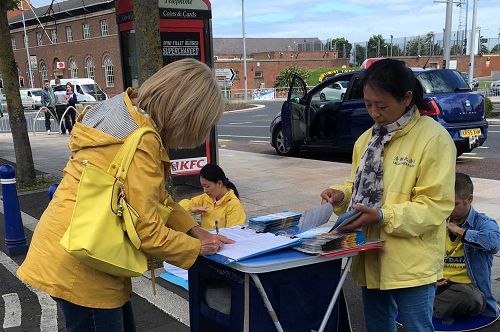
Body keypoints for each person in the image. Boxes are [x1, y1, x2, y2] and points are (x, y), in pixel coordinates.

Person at [17, 58, 233, 332]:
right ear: (186, 115)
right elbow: (147, 232)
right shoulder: (143, 141)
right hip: (84, 265)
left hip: (78, 246)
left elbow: (157, 198)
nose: (200, 135)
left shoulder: (126, 115)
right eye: (202, 125)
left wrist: (194, 230)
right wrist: (196, 248)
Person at [320, 59, 456, 332]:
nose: (374, 113)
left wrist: (383, 216)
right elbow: (356, 185)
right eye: (368, 104)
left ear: (407, 98)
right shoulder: (367, 140)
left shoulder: (433, 139)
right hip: (370, 254)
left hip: (411, 263)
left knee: (417, 327)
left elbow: (435, 206)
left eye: (381, 106)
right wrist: (341, 196)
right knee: (378, 327)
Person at [433, 172, 500, 322]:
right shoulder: (438, 220)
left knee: (472, 299)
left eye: (455, 204)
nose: (449, 209)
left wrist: (460, 231)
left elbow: (494, 243)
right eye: (446, 203)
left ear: (469, 199)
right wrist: (430, 282)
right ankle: (439, 306)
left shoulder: (482, 222)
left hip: (468, 289)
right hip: (437, 284)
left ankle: (433, 307)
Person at [179, 163, 246, 230]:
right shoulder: (206, 198)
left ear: (219, 183)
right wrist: (192, 209)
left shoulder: (234, 205)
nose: (205, 190)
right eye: (203, 187)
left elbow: (235, 233)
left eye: (207, 186)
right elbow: (179, 207)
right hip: (207, 239)